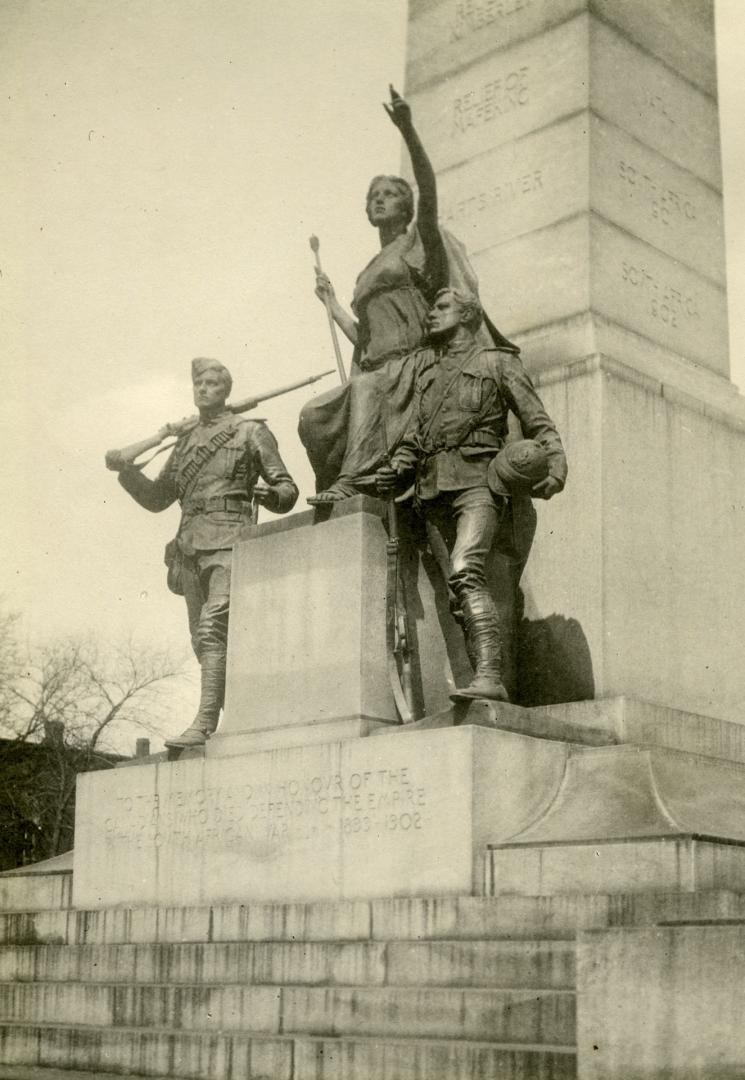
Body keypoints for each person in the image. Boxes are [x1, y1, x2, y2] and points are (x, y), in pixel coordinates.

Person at [376, 288, 567, 703]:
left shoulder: (498, 362)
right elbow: (414, 437)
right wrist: (398, 465)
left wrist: (555, 464)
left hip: (479, 482)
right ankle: (481, 680)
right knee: (456, 592)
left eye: (442, 307)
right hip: (432, 490)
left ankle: (491, 676)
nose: (431, 314)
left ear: (468, 315)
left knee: (466, 570)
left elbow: (538, 420)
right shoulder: (427, 377)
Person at [107, 358, 298, 747]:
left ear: (226, 390)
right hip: (189, 547)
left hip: (230, 542)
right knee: (202, 639)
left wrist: (271, 495)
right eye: (199, 383)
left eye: (212, 383)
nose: (204, 389)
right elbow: (158, 498)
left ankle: (205, 722)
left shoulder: (249, 432)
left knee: (213, 628)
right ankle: (235, 716)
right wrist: (127, 471)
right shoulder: (185, 442)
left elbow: (287, 488)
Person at [300, 85, 449, 503]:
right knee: (314, 416)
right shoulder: (367, 270)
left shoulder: (418, 244)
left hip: (411, 365)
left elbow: (429, 187)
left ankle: (351, 482)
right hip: (375, 368)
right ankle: (335, 481)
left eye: (389, 195)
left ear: (406, 206)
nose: (379, 201)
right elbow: (364, 337)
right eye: (373, 197)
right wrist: (330, 306)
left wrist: (408, 129)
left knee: (364, 392)